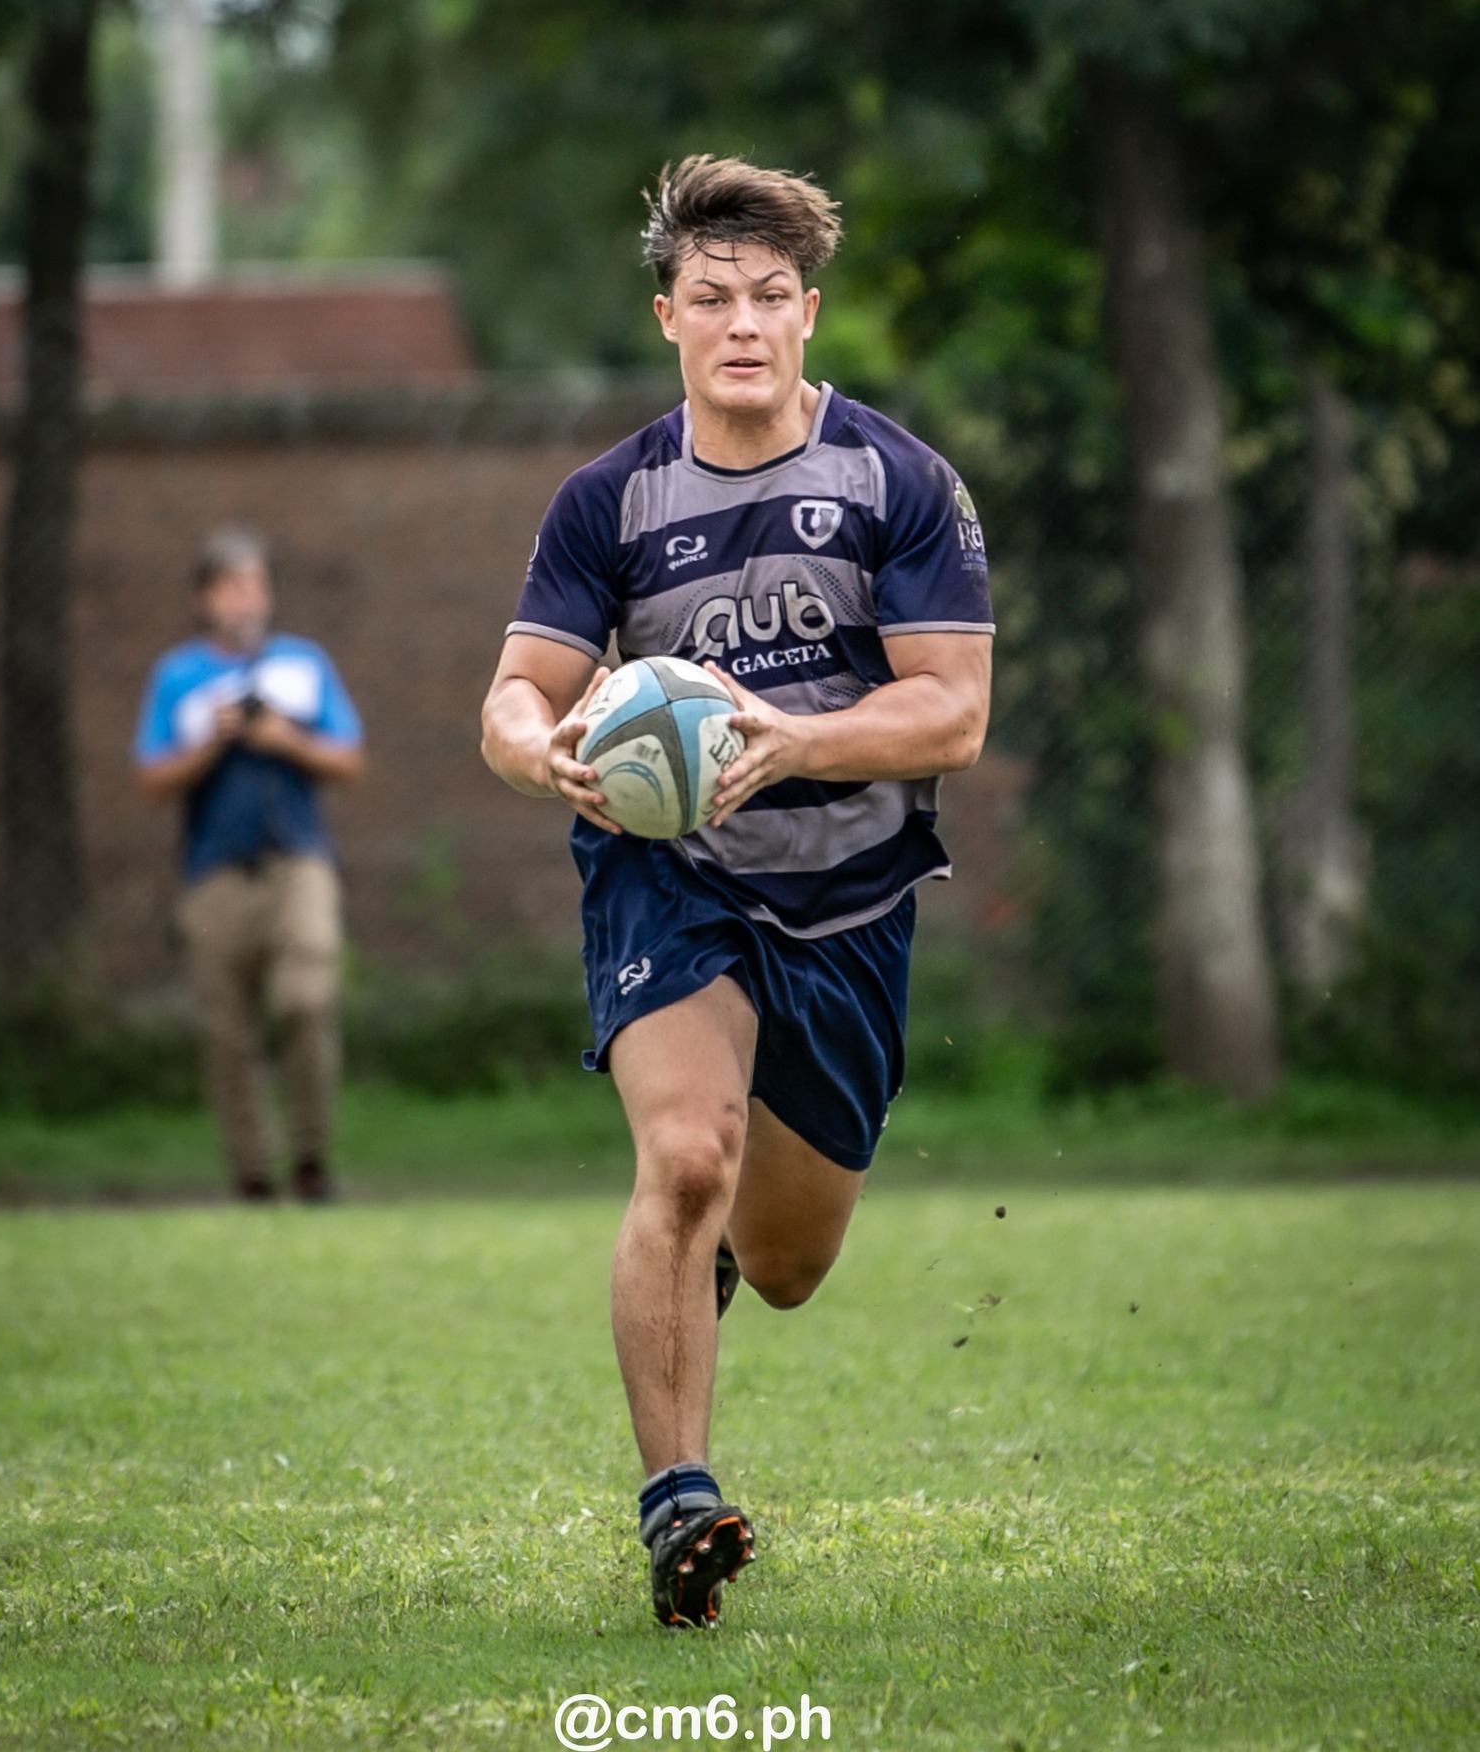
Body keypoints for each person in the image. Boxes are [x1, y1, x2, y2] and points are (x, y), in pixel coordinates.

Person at [480, 156, 993, 1627]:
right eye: (711, 298)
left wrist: (791, 741)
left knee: (781, 1261)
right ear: (668, 317)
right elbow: (514, 696)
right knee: (687, 1155)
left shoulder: (899, 481)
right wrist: (544, 754)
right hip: (670, 874)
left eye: (769, 296)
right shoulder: (607, 501)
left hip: (848, 896)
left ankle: (699, 1273)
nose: (743, 324)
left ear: (808, 312)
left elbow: (952, 713)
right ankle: (677, 1505)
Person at [134, 526, 365, 1203]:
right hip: (212, 871)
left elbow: (350, 761)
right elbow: (150, 781)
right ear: (203, 599)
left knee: (306, 999)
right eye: (232, 587)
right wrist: (212, 742)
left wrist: (282, 738)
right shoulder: (178, 675)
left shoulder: (303, 664)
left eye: (256, 585)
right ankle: (254, 1175)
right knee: (227, 1034)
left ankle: (312, 1160)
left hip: (298, 862)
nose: (247, 600)